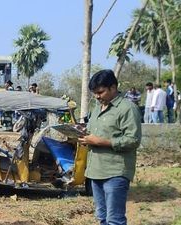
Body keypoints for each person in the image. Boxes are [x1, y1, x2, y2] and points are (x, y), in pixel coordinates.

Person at [77, 69, 141, 225]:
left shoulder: (127, 108)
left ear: (113, 88)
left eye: (101, 92)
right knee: (102, 217)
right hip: (95, 171)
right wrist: (84, 135)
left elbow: (133, 140)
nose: (97, 96)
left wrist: (101, 142)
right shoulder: (97, 108)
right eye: (95, 93)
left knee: (114, 220)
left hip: (115, 172)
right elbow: (94, 133)